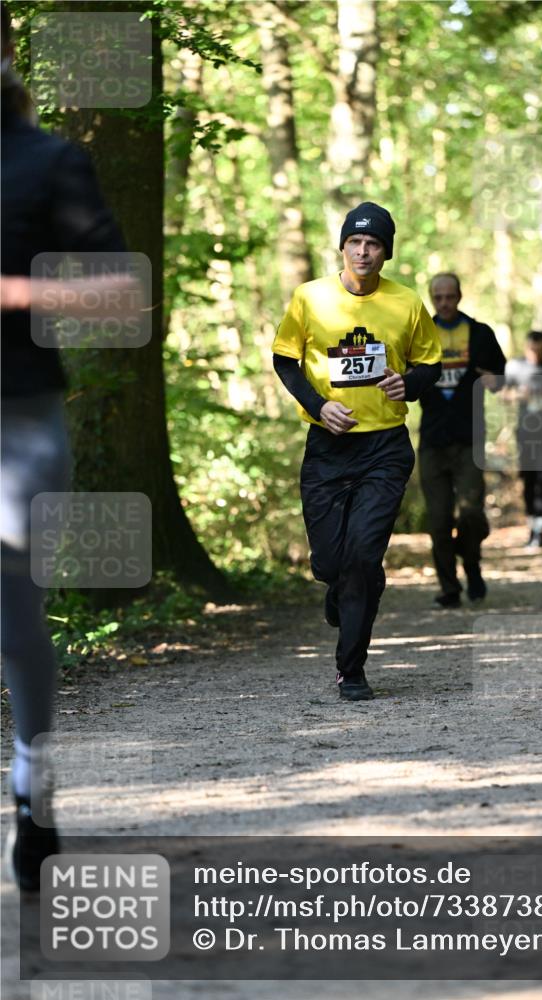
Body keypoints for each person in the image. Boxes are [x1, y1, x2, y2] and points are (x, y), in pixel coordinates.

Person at [1, 2, 128, 891]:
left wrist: (15, 294)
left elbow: (120, 289)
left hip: (19, 422)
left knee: (13, 617)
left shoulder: (48, 160)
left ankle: (32, 784)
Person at [272, 202, 441, 701]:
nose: (363, 251)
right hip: (328, 447)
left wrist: (408, 384)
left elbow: (430, 365)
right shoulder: (310, 297)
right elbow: (284, 361)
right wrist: (319, 406)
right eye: (355, 242)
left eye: (373, 244)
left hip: (384, 447)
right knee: (330, 562)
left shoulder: (406, 303)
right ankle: (340, 584)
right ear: (342, 247)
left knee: (363, 556)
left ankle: (352, 669)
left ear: (386, 252)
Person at [417, 273, 505, 607]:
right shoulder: (420, 333)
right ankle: (449, 587)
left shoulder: (480, 333)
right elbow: (406, 379)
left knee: (471, 514)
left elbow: (500, 378)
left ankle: (471, 563)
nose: (444, 303)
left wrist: (492, 380)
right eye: (437, 297)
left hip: (469, 438)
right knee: (439, 520)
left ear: (460, 296)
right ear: (431, 299)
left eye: (449, 296)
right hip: (432, 440)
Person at [504, 331, 542, 548]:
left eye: (540, 349)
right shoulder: (515, 366)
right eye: (532, 349)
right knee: (529, 478)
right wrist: (521, 395)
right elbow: (505, 394)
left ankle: (540, 530)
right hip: (525, 432)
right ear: (526, 346)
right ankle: (532, 527)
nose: (536, 354)